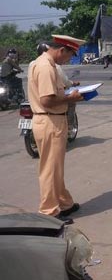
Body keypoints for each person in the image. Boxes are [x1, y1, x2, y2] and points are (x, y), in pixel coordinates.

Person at [28, 34, 85, 224]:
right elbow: (47, 100)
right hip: (49, 121)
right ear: (62, 50)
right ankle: (49, 212)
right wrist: (71, 98)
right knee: (50, 169)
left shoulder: (47, 64)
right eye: (69, 56)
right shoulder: (45, 67)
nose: (68, 60)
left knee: (56, 167)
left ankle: (64, 203)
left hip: (53, 121)